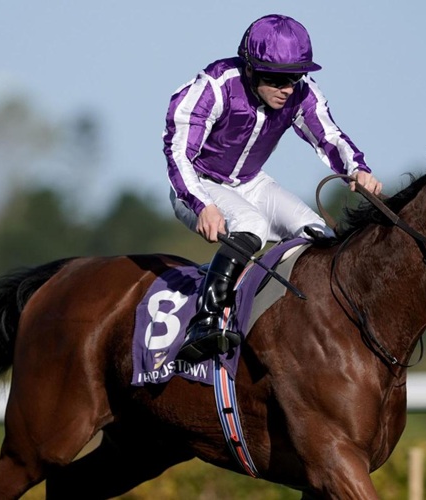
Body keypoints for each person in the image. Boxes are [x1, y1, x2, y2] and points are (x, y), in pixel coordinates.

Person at [163, 14, 382, 363]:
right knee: (253, 225)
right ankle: (205, 321)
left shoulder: (301, 92)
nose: (288, 89)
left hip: (252, 182)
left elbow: (329, 136)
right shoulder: (216, 85)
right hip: (199, 185)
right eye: (277, 79)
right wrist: (202, 204)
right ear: (250, 69)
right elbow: (178, 152)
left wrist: (357, 169)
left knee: (318, 234)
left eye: (295, 78)